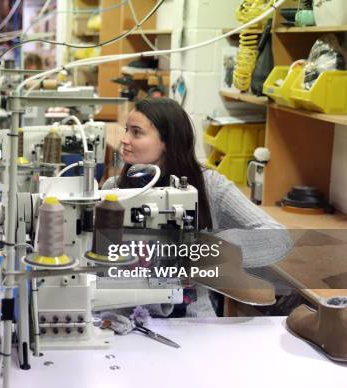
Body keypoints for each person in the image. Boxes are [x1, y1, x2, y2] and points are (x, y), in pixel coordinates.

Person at [103, 98, 292, 316]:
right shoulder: (114, 190)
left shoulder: (209, 186)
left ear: (168, 142)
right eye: (126, 130)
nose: (124, 139)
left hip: (191, 317)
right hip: (126, 313)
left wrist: (208, 250)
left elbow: (278, 237)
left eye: (136, 132)